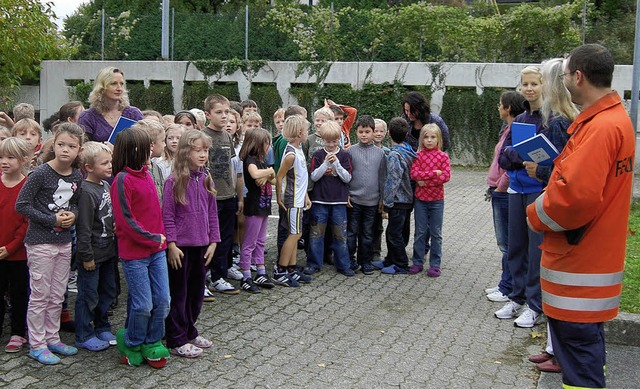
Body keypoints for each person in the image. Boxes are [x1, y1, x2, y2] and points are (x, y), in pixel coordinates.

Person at [526, 43, 634, 389]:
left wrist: (535, 213)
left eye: (566, 73)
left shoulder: (600, 127)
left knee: (580, 363)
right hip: (592, 263)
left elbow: (574, 198)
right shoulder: (613, 120)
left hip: (578, 268)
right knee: (585, 357)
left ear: (578, 77)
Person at [16, 123, 85, 365]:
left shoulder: (77, 175)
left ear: (79, 149)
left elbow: (75, 202)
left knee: (57, 294)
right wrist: (52, 219)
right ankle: (36, 344)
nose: (65, 150)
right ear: (53, 145)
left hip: (64, 242)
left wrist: (73, 215)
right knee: (40, 295)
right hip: (40, 243)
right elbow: (22, 205)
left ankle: (52, 337)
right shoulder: (40, 174)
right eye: (61, 144)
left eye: (71, 146)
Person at [111, 127, 170, 368]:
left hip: (157, 251)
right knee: (142, 303)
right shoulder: (121, 180)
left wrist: (162, 238)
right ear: (133, 150)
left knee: (163, 299)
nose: (150, 150)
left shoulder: (147, 174)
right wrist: (153, 238)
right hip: (136, 254)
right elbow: (126, 221)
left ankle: (152, 340)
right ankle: (132, 340)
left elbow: (155, 211)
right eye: (146, 146)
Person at [496, 65, 545, 328]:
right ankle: (516, 297)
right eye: (524, 84)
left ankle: (535, 306)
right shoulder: (522, 120)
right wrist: (521, 155)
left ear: (543, 85)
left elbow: (547, 157)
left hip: (538, 190)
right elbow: (505, 156)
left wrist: (520, 154)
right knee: (516, 247)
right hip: (516, 189)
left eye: (534, 84)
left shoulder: (551, 119)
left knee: (536, 250)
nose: (529, 88)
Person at [163, 130, 219, 358]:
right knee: (180, 294)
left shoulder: (206, 178)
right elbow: (167, 215)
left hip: (202, 246)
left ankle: (189, 330)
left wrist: (214, 241)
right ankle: (176, 338)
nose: (203, 154)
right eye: (197, 150)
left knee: (196, 293)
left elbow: (213, 214)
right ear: (186, 152)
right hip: (181, 248)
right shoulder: (173, 181)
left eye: (205, 150)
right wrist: (172, 244)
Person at [74, 142, 117, 352]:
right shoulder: (86, 191)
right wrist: (86, 256)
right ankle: (84, 333)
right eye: (104, 163)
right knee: (88, 295)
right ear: (89, 167)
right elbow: (83, 228)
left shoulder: (105, 185)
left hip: (108, 250)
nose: (110, 166)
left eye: (110, 161)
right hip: (92, 253)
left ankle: (102, 326)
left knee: (107, 291)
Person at [484, 91, 526, 302]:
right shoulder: (507, 129)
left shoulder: (516, 130)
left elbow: (513, 164)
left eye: (500, 104)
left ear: (508, 108)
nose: (498, 108)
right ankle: (505, 283)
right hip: (497, 191)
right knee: (505, 243)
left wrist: (500, 187)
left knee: (508, 243)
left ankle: (508, 287)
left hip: (503, 193)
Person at [202, 94, 243, 295]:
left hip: (228, 196)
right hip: (210, 198)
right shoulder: (202, 135)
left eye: (227, 112)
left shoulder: (227, 136)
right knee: (207, 239)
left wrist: (237, 194)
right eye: (219, 112)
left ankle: (218, 276)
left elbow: (232, 167)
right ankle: (204, 277)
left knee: (225, 237)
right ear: (208, 114)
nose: (224, 116)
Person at [305, 121, 353, 277]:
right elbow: (314, 176)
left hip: (339, 202)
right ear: (322, 139)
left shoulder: (345, 155)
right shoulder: (318, 155)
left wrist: (337, 164)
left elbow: (347, 178)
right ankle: (313, 264)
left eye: (334, 141)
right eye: (328, 141)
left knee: (340, 235)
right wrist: (326, 163)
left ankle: (343, 265)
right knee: (316, 235)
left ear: (339, 139)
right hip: (320, 201)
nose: (331, 144)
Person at [371, 117, 416, 275]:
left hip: (398, 200)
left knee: (393, 233)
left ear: (388, 133)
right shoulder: (409, 150)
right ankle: (390, 259)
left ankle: (401, 264)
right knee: (400, 231)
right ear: (406, 134)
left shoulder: (395, 155)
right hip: (409, 199)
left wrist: (386, 202)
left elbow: (393, 180)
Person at [0, 137, 31, 354]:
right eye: (1, 156)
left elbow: (26, 223)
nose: (4, 161)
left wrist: (11, 247)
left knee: (20, 294)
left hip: (18, 254)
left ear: (24, 160)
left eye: (10, 157)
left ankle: (18, 332)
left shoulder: (27, 185)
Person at [408, 123, 450, 277]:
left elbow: (445, 177)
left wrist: (426, 180)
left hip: (437, 200)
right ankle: (417, 261)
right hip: (421, 200)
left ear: (438, 139)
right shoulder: (418, 156)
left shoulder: (443, 157)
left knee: (436, 233)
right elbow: (415, 175)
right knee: (420, 232)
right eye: (426, 137)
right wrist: (435, 173)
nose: (429, 140)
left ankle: (435, 264)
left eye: (433, 137)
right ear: (422, 139)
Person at [238, 128, 277, 292]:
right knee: (249, 243)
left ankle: (261, 271)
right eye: (266, 143)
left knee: (261, 241)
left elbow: (274, 181)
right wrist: (269, 172)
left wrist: (268, 174)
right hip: (254, 207)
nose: (268, 146)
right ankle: (246, 276)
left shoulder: (262, 161)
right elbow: (255, 175)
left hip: (264, 206)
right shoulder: (251, 160)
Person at [275, 115, 312, 287]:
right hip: (292, 200)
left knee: (296, 233)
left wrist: (306, 195)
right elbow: (280, 176)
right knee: (295, 234)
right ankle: (280, 270)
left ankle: (291, 268)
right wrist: (279, 197)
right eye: (306, 130)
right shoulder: (290, 154)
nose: (308, 133)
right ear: (299, 132)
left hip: (299, 198)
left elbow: (301, 177)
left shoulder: (298, 149)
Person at [347, 115, 386, 275]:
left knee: (368, 234)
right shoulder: (350, 151)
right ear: (356, 132)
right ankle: (349, 260)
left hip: (372, 202)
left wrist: (382, 200)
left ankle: (366, 261)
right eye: (361, 131)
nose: (364, 135)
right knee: (351, 233)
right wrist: (345, 195)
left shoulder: (380, 154)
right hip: (354, 201)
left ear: (373, 133)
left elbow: (383, 178)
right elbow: (346, 174)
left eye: (367, 132)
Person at [78, 67, 144, 143]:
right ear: (101, 87)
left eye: (121, 84)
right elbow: (85, 148)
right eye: (114, 84)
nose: (119, 88)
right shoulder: (87, 117)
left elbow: (144, 144)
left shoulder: (134, 114)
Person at [134, 120, 166, 203]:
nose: (165, 145)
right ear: (152, 145)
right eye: (162, 141)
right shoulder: (136, 169)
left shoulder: (156, 167)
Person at [372, 118, 390, 262]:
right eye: (375, 130)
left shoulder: (387, 152)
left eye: (381, 131)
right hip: (367, 193)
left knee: (378, 226)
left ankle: (376, 251)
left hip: (380, 194)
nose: (378, 133)